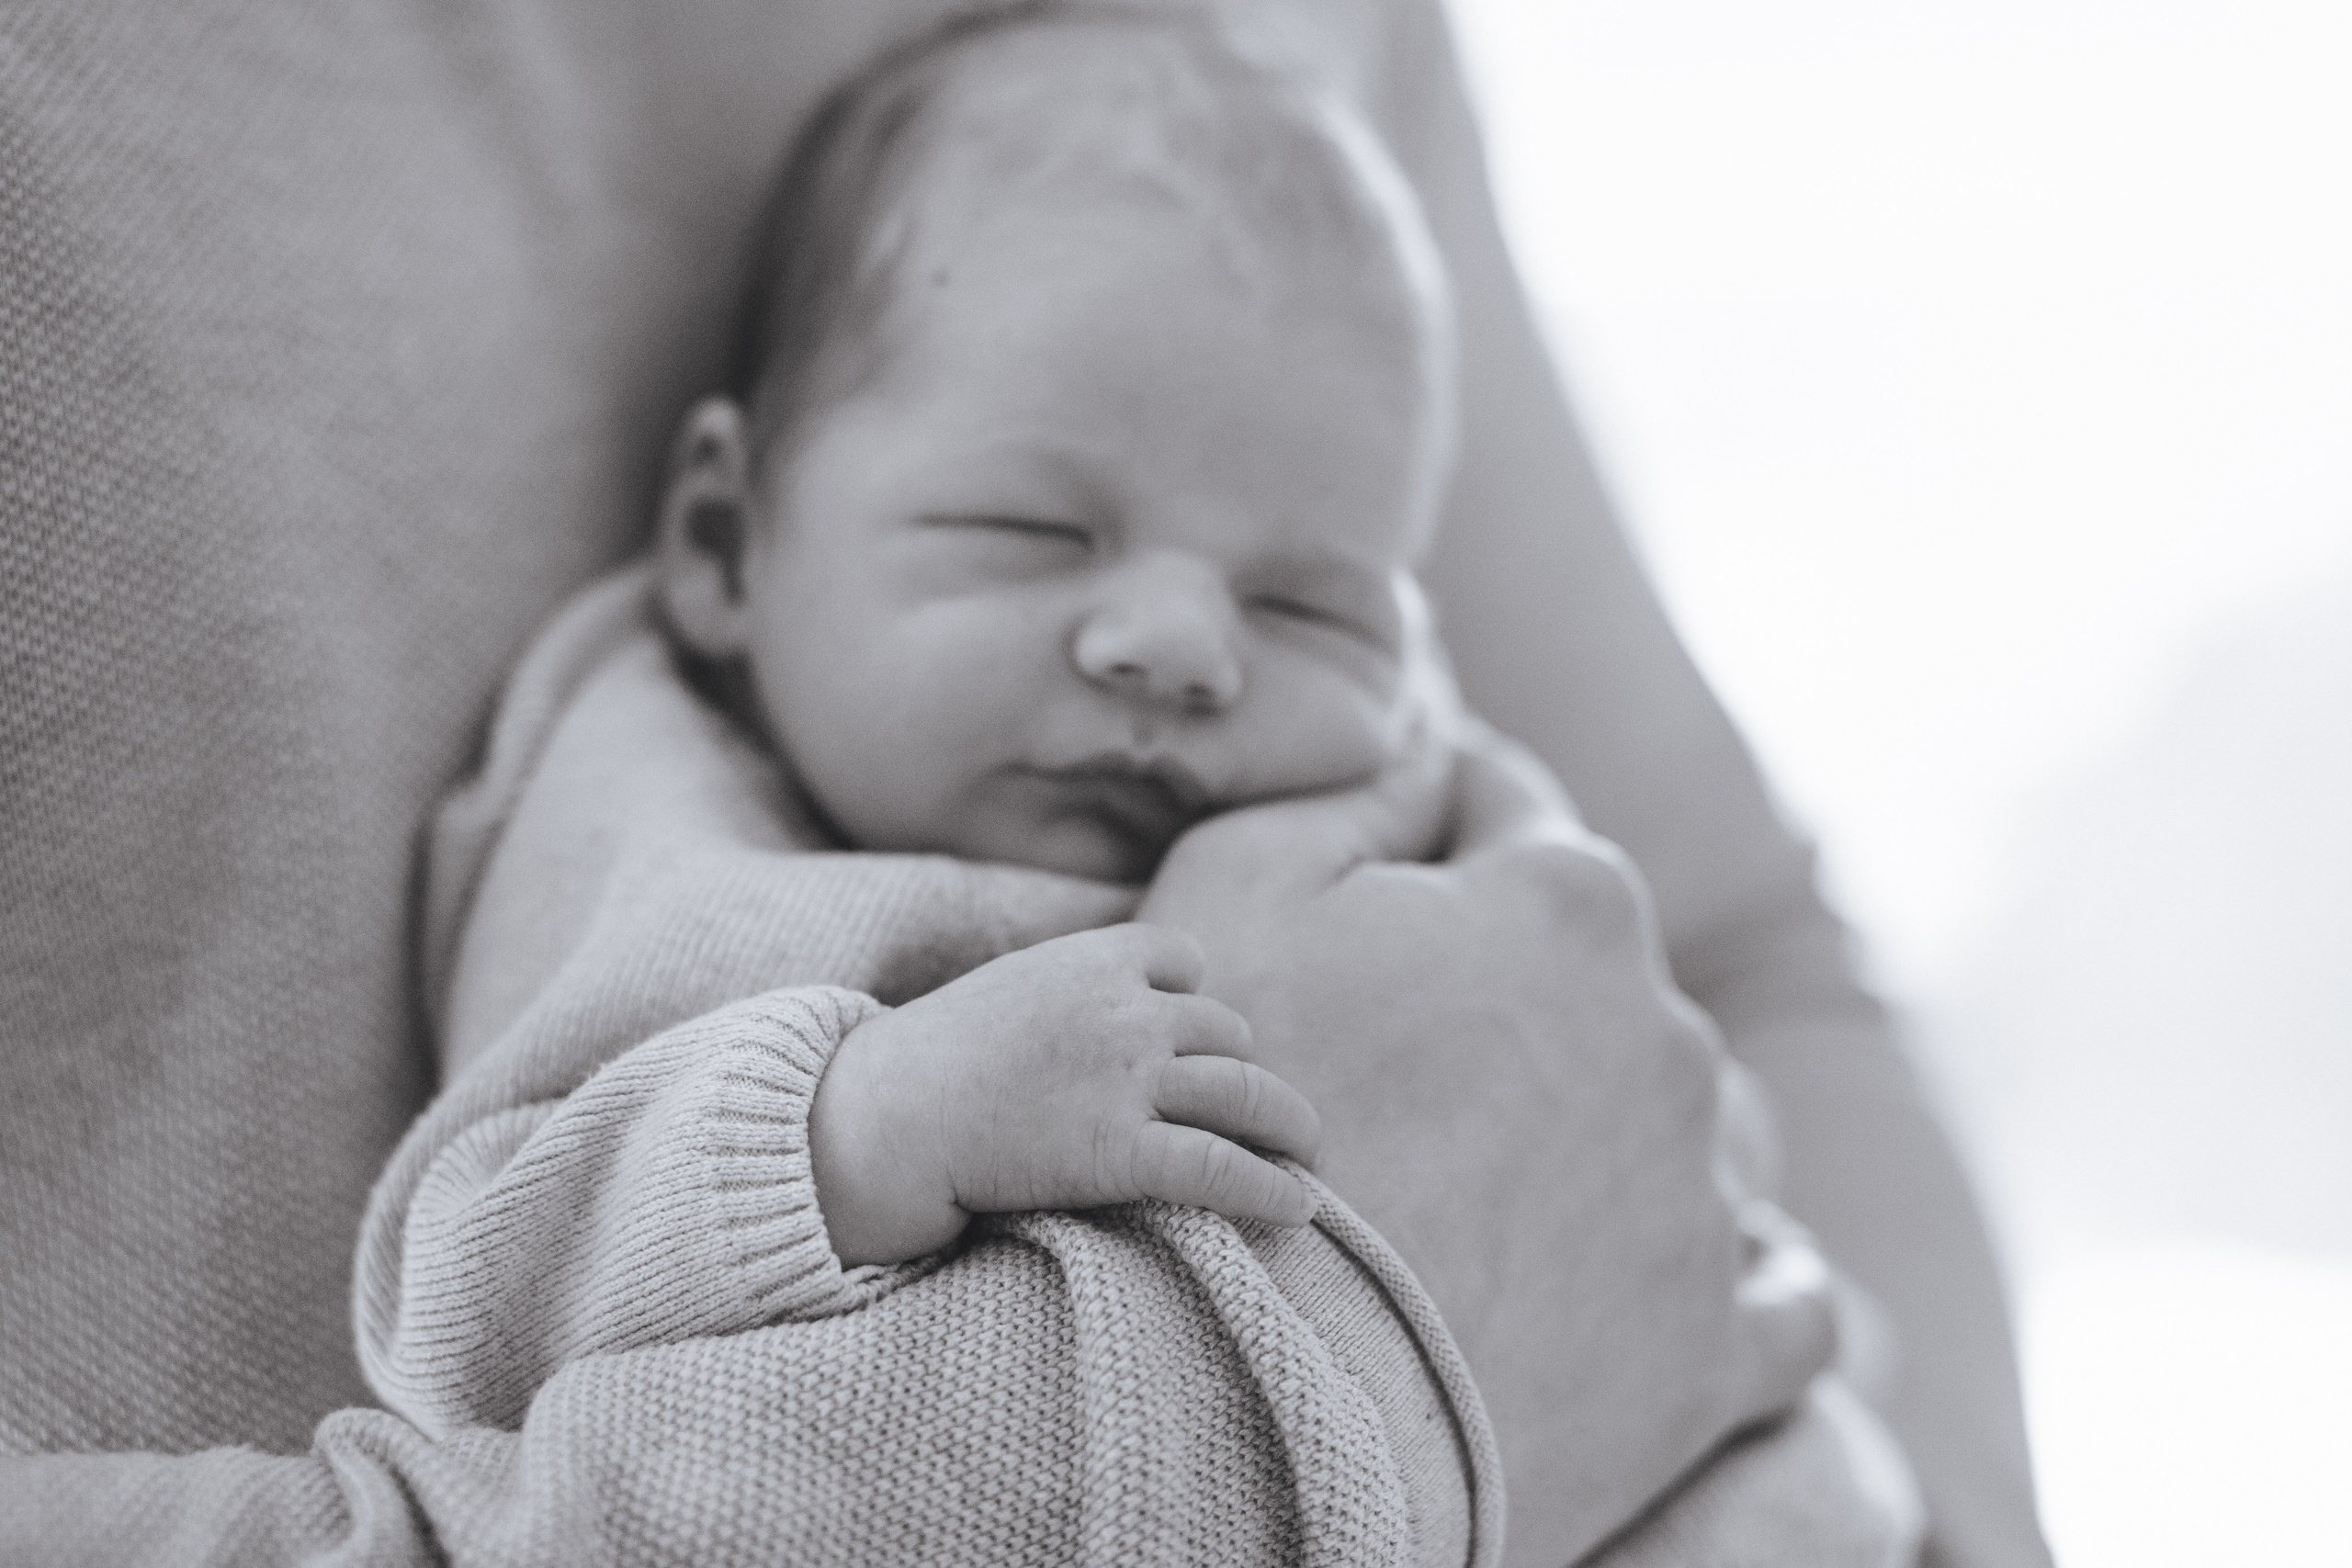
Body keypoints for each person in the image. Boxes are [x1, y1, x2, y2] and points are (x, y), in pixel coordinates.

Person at [0, 0, 2047, 1563]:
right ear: (721, 542)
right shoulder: (654, 834)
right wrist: (866, 1118)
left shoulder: (1394, 756)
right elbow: (474, 1274)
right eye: (1026, 536)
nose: (1181, 642)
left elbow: (1723, 966)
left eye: (1311, 605)